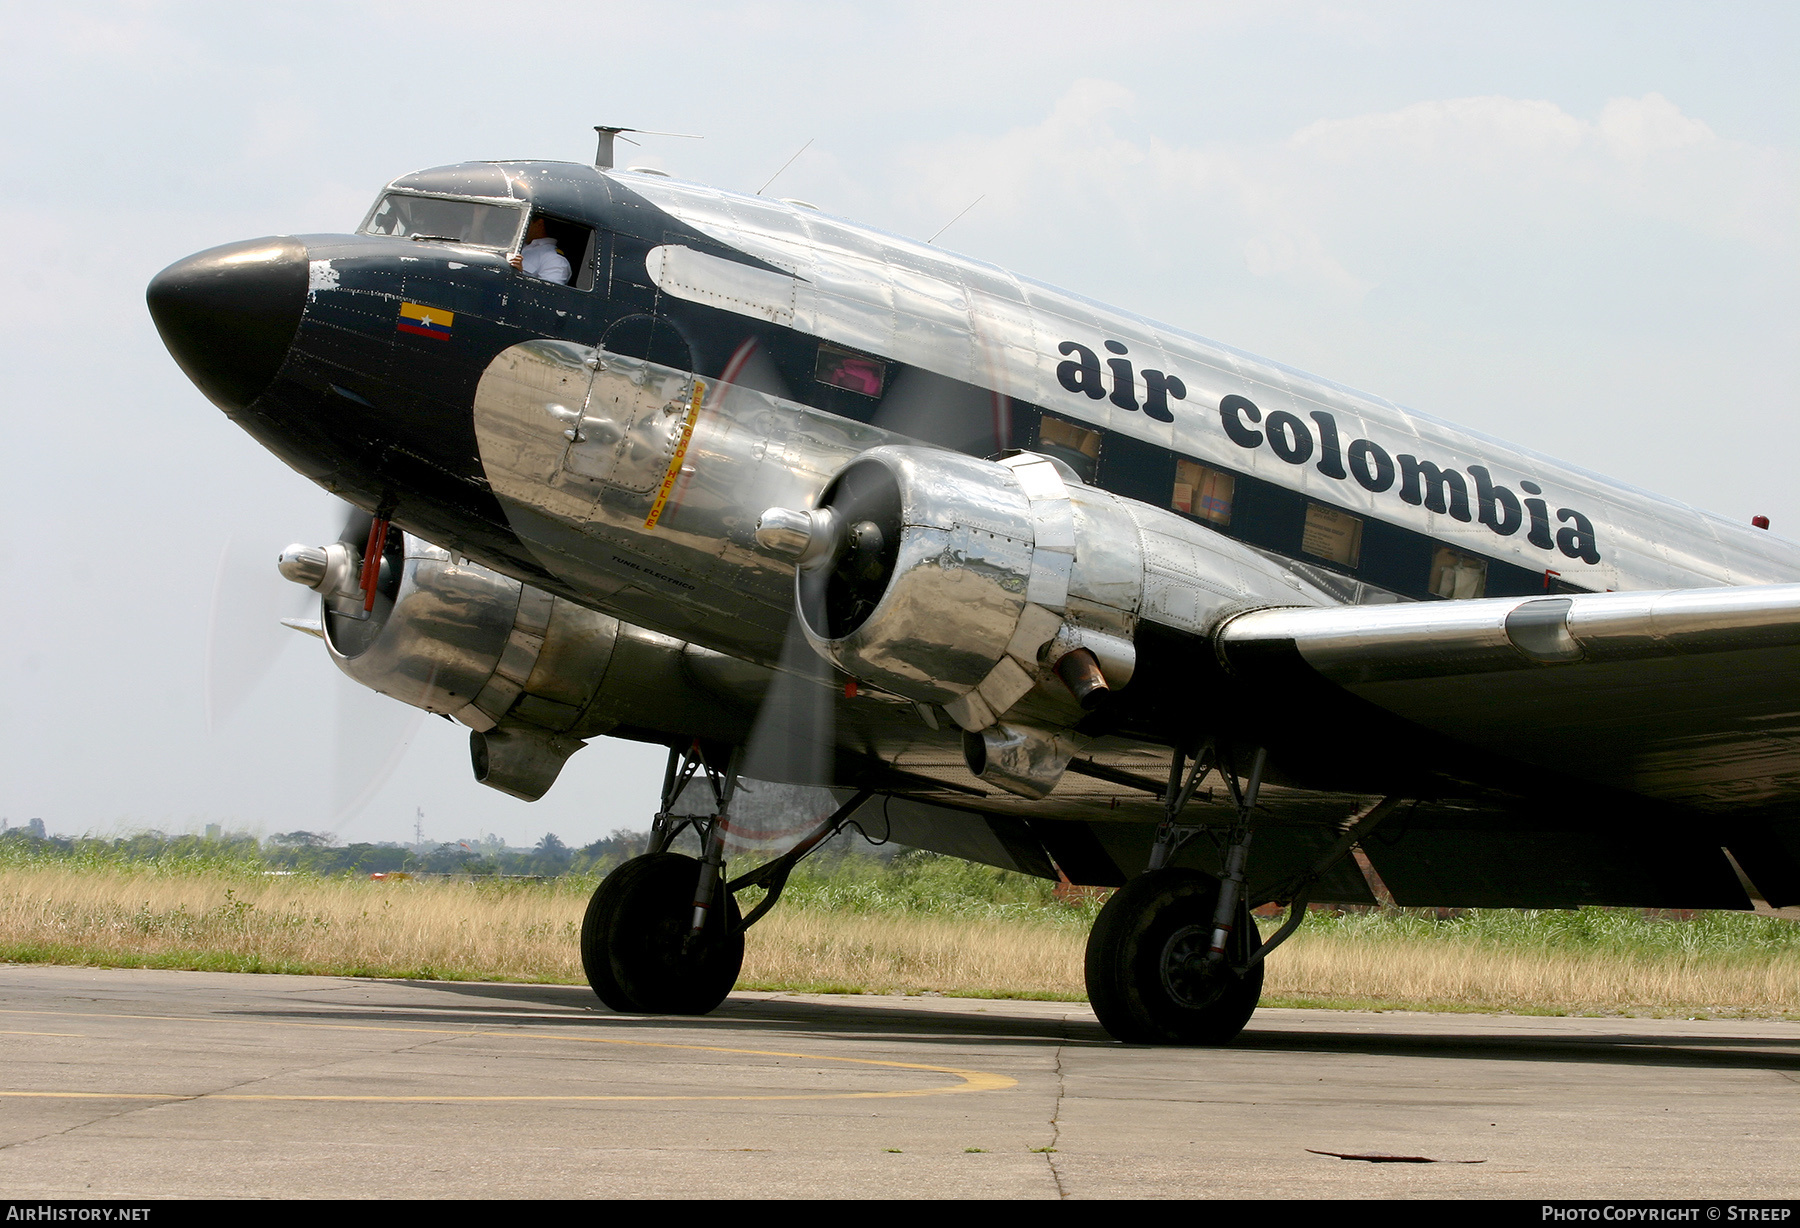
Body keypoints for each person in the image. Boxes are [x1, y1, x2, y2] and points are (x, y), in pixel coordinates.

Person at [509, 216, 571, 285]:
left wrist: (520, 274)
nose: (517, 226)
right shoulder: (514, 245)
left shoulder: (554, 259)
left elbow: (548, 292)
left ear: (539, 224)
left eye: (522, 221)